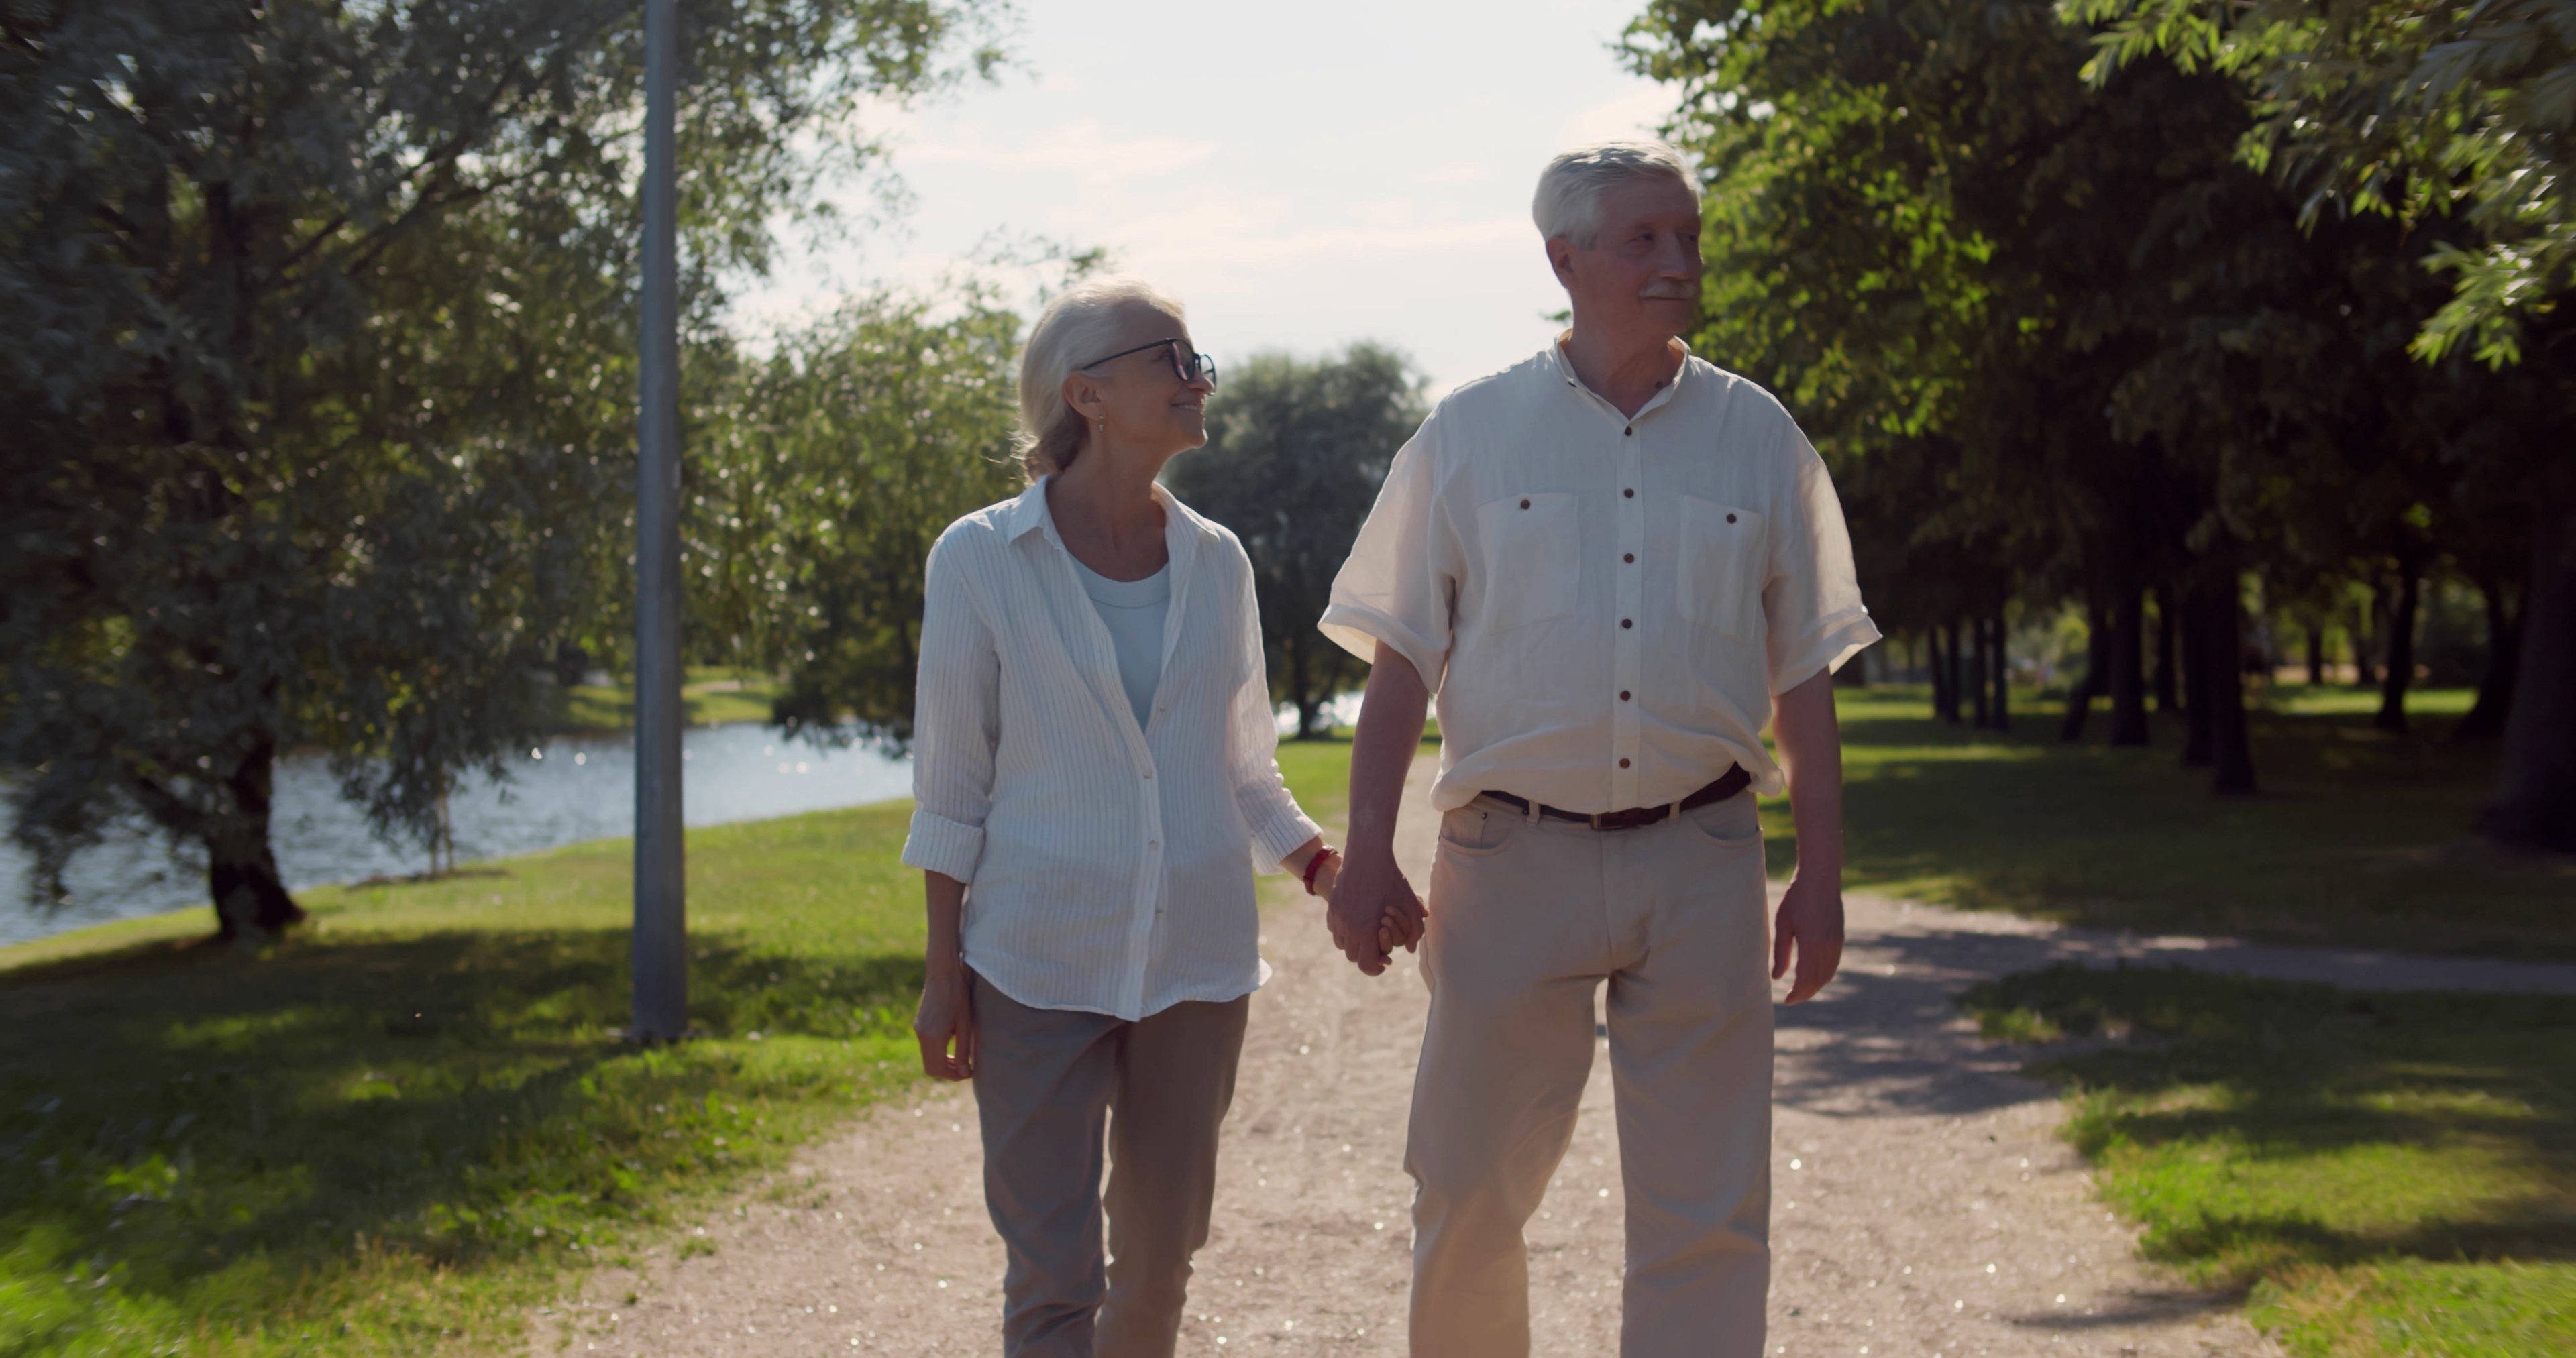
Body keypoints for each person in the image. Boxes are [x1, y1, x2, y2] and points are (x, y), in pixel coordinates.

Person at [1319, 142, 1879, 1357]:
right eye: (1645, 240)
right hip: (1507, 862)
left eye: (1686, 236)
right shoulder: (1468, 435)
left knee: (1709, 1211)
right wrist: (1368, 853)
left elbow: (1805, 669)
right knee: (1468, 1189)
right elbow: (1401, 658)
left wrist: (1823, 873)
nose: (1677, 261)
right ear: (1563, 257)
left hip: (1704, 859)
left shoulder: (1758, 436)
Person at [902, 276, 1340, 1357]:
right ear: (1086, 396)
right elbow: (953, 781)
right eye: (1172, 358)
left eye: (1197, 359)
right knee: (1052, 1274)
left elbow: (1245, 768)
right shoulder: (978, 558)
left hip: (1195, 962)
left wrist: (1331, 870)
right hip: (1032, 959)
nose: (1198, 378)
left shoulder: (1218, 559)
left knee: (1158, 1263)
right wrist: (943, 969)